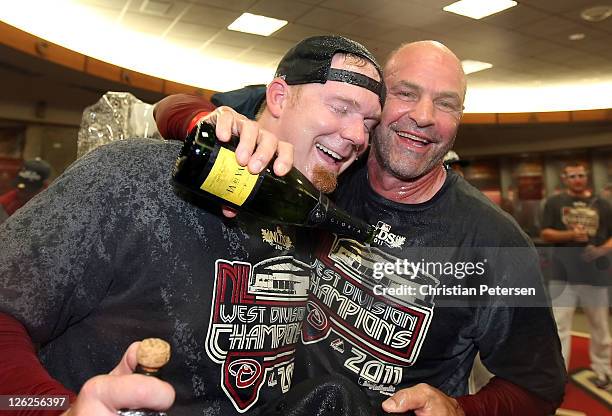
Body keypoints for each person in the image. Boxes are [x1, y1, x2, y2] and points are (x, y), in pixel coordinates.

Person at [143, 40, 567, 415]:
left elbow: (538, 387)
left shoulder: (496, 242)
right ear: (375, 107)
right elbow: (172, 108)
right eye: (406, 94)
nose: (423, 116)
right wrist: (218, 127)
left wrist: (459, 408)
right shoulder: (327, 167)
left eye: (446, 103)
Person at [0, 35, 383, 416]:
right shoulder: (132, 178)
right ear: (279, 97)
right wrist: (57, 410)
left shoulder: (310, 220)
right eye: (341, 107)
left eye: (368, 123)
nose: (357, 136)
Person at [540, 162, 612, 388]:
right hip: (563, 275)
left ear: (586, 177)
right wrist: (570, 234)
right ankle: (559, 375)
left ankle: (604, 371)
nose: (577, 179)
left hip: (595, 275)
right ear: (565, 179)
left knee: (600, 327)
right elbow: (546, 233)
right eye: (572, 176)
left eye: (581, 175)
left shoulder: (603, 204)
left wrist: (601, 249)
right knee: (559, 329)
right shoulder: (554, 202)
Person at [0, 158, 51, 224]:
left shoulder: (51, 204)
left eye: (28, 190)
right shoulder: (5, 203)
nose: (21, 193)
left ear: (44, 187)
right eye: (20, 188)